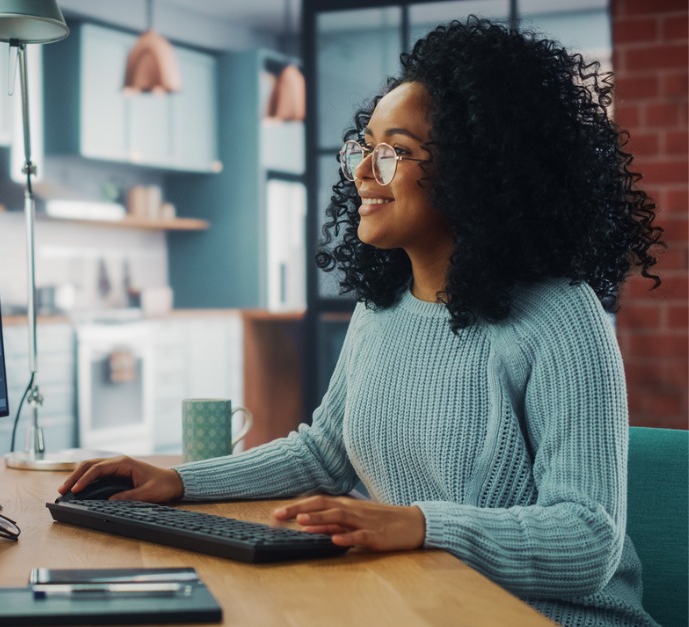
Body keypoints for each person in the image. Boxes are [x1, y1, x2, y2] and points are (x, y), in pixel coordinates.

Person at [59, 16, 663, 627]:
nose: (363, 173)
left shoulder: (561, 317)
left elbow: (587, 539)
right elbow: (325, 453)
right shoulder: (381, 308)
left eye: (395, 152)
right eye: (365, 148)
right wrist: (178, 481)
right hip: (425, 600)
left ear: (478, 169)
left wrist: (417, 523)